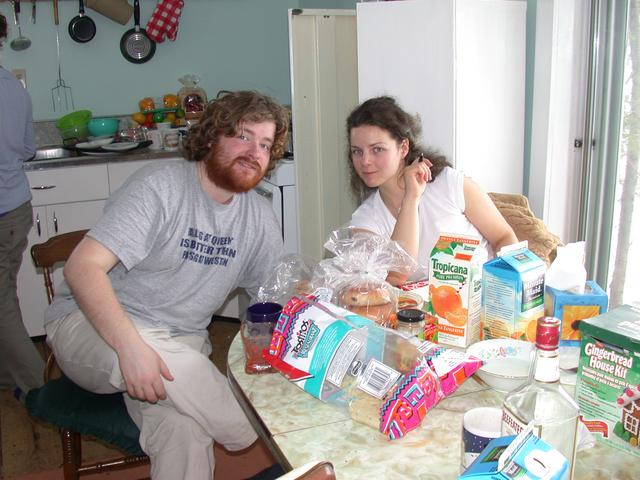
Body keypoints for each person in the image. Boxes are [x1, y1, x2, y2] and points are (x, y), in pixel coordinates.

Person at [44, 90, 289, 480]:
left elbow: (274, 299)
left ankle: (252, 426)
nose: (254, 152)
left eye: (264, 144)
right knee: (188, 373)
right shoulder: (161, 187)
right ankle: (262, 429)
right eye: (243, 136)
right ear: (211, 136)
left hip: (179, 344)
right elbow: (82, 268)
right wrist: (131, 348)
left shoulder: (258, 217)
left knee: (184, 431)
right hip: (93, 326)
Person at [346, 96, 517, 282]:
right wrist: (411, 199)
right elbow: (397, 276)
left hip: (484, 294)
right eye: (357, 151)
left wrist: (501, 288)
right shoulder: (365, 220)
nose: (365, 161)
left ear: (403, 148)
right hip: (425, 301)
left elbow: (504, 237)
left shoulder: (449, 183)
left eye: (377, 149)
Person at [0, 13, 45, 402]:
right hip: (14, 207)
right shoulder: (14, 88)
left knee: (2, 301)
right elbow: (28, 148)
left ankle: (38, 388)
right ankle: (6, 373)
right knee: (5, 296)